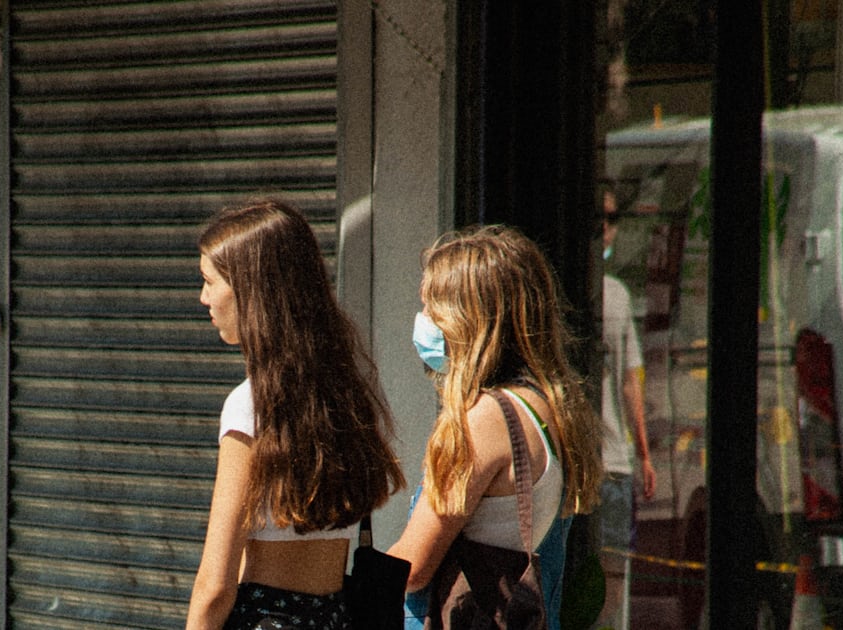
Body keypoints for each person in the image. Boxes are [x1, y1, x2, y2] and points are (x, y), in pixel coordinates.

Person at [186, 198, 407, 630]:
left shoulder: (249, 406)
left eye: (210, 282)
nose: (203, 298)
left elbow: (215, 585)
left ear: (251, 291)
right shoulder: (350, 395)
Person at [388, 224, 605, 629]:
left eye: (432, 309)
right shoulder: (544, 407)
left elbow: (413, 566)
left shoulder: (487, 419)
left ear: (468, 320)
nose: (424, 322)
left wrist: (336, 581)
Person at [592, 192, 656, 630]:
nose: (607, 228)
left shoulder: (617, 295)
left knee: (613, 582)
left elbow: (632, 380)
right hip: (574, 465)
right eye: (601, 218)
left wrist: (644, 454)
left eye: (612, 218)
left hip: (613, 462)